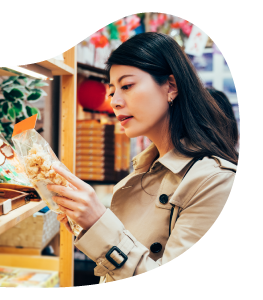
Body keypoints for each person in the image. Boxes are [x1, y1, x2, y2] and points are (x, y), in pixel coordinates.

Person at [46, 32, 238, 283]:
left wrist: (98, 221)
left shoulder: (215, 181)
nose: (114, 101)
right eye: (112, 90)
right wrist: (85, 221)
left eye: (127, 86)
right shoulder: (147, 169)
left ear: (171, 86)